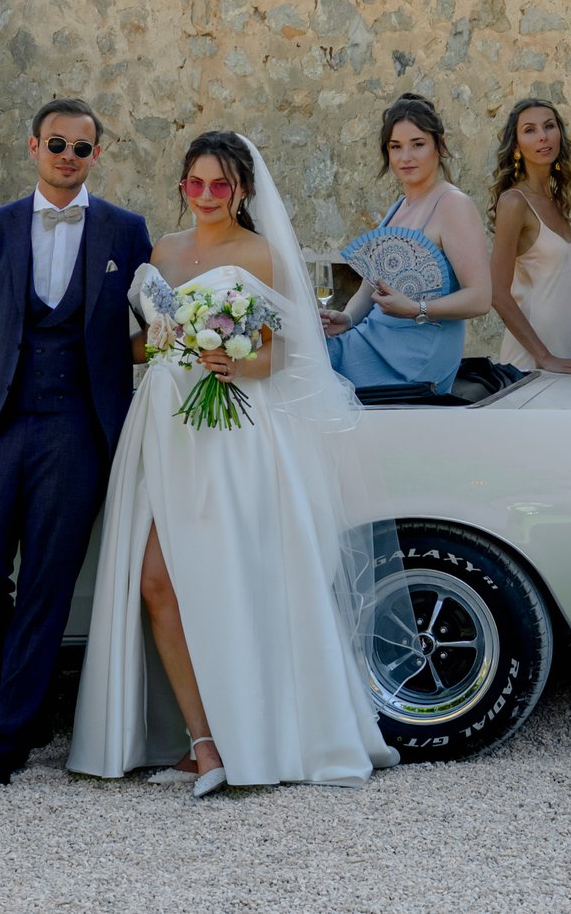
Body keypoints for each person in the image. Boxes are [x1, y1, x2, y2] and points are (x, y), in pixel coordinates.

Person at [70, 132, 397, 794]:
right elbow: (145, 345)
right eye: (196, 183)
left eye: (222, 184)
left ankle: (261, 735)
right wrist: (134, 340)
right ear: (184, 186)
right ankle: (204, 740)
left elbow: (280, 356)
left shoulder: (262, 254)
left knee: (233, 581)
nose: (208, 196)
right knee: (156, 582)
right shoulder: (162, 250)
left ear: (243, 189)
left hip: (232, 432)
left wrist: (231, 359)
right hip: (162, 425)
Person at [0, 98, 154, 801]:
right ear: (32, 146)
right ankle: (32, 692)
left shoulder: (126, 230)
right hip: (3, 420)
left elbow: (155, 319)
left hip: (81, 425)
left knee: (49, 582)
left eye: (82, 148)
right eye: (57, 143)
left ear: (96, 156)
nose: (68, 157)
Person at [324, 93, 492, 394]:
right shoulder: (398, 208)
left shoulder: (453, 205)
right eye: (396, 147)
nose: (406, 157)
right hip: (373, 338)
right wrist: (346, 319)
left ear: (439, 146)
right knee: (302, 356)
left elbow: (480, 298)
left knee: (313, 372)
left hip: (415, 358)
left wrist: (417, 308)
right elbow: (369, 288)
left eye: (418, 144)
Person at [486, 98, 571, 374]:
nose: (543, 136)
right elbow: (497, 293)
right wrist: (545, 358)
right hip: (531, 361)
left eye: (549, 126)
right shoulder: (514, 202)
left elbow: (543, 281)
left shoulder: (556, 201)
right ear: (516, 146)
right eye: (530, 130)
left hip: (566, 353)